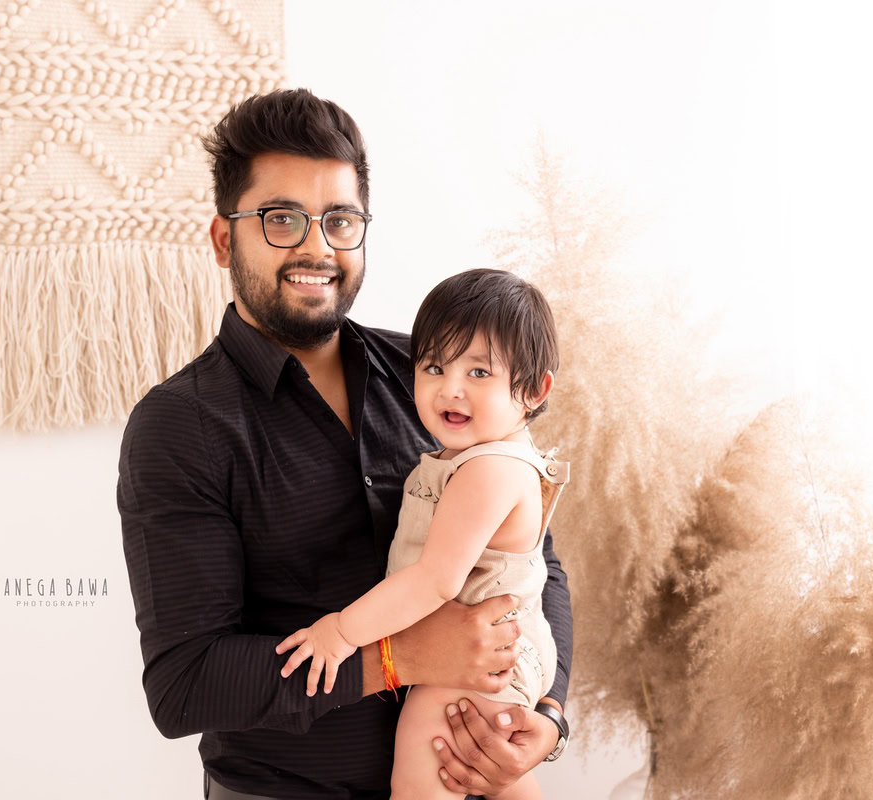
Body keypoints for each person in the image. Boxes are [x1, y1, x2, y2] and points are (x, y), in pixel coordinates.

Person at [117, 89, 573, 800]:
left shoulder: (430, 378)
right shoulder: (181, 427)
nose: (315, 247)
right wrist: (396, 656)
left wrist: (546, 716)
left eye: (340, 220)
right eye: (280, 220)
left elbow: (538, 562)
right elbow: (186, 684)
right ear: (221, 238)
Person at [275, 269, 568, 799]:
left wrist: (341, 633)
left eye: (479, 372)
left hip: (484, 658)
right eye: (434, 366)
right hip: (500, 651)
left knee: (422, 762)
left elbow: (434, 580)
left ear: (533, 389)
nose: (449, 388)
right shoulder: (477, 457)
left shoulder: (489, 470)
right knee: (497, 776)